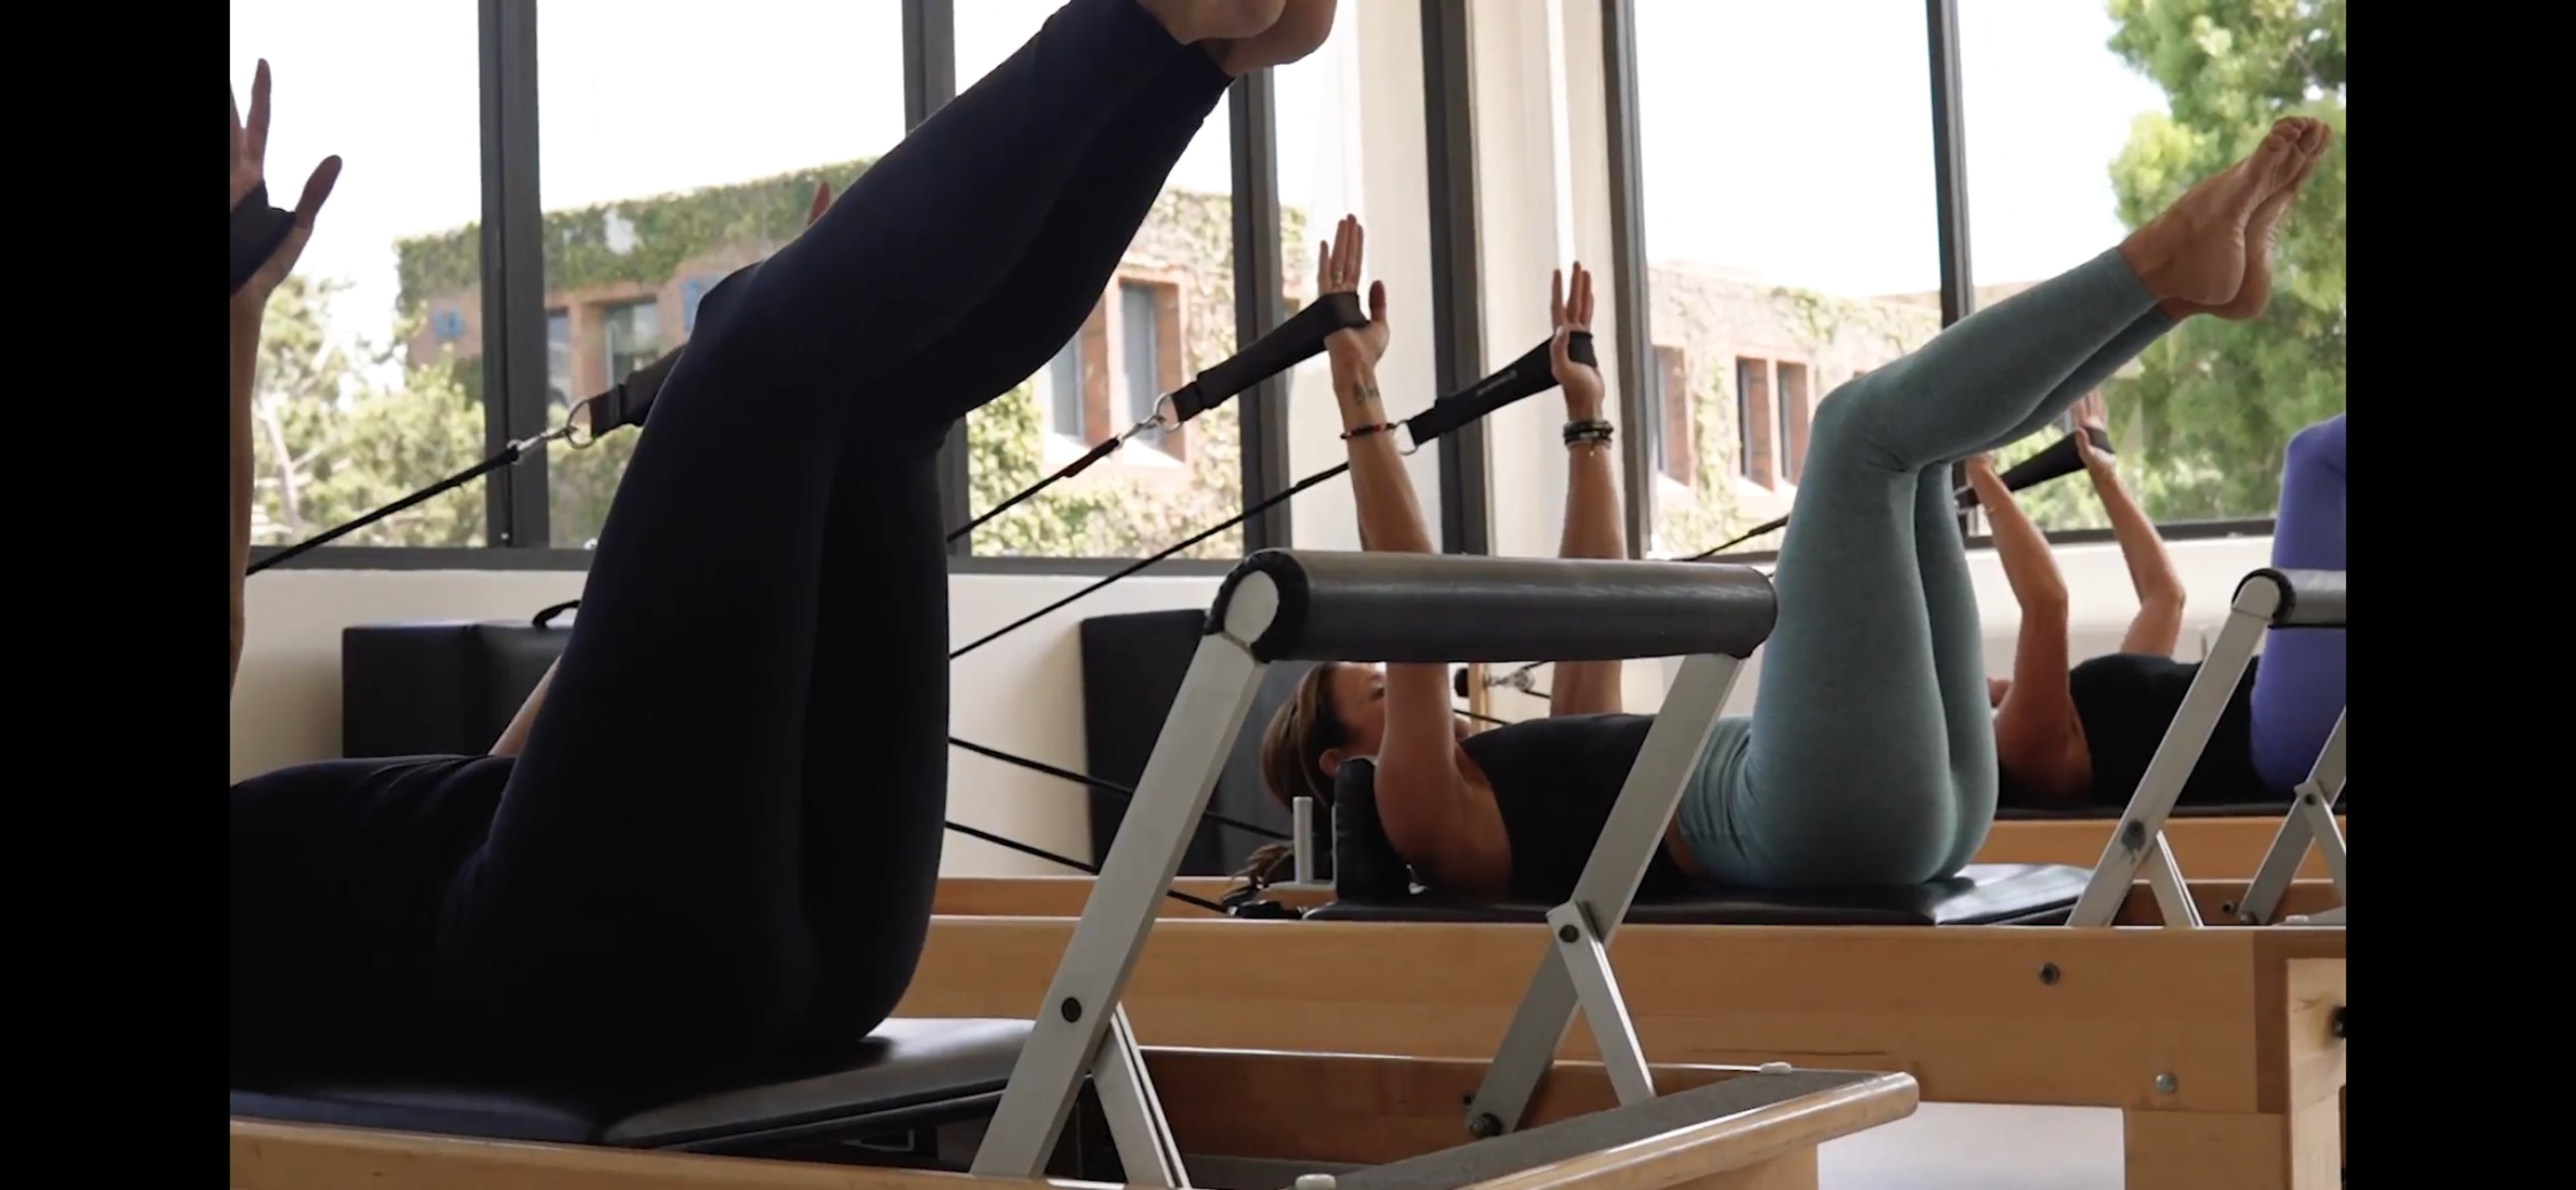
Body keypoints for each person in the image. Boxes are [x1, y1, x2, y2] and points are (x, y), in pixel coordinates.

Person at [229, 0, 1339, 1077]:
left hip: (775, 949)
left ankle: (1199, 58)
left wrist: (728, 512)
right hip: (591, 955)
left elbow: (567, 755)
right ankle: (1149, 20)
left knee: (876, 401)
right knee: (756, 346)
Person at [1256, 116, 2335, 897]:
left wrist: (1588, 424)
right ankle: (2159, 265)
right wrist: (1357, 390)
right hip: (1807, 816)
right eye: (1378, 692)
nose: (1427, 688)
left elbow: (1592, 599)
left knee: (1916, 444)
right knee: (1860, 431)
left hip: (1913, 806)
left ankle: (2188, 289)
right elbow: (1412, 620)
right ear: (1342, 763)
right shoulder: (1424, 815)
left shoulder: (1514, 766)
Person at [1974, 402, 2347, 810]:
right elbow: (2046, 602)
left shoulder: (2107, 714)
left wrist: (2103, 473)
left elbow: (2164, 596)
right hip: (2280, 743)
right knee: (2317, 460)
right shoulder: (2019, 752)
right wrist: (1977, 468)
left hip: (2292, 719)